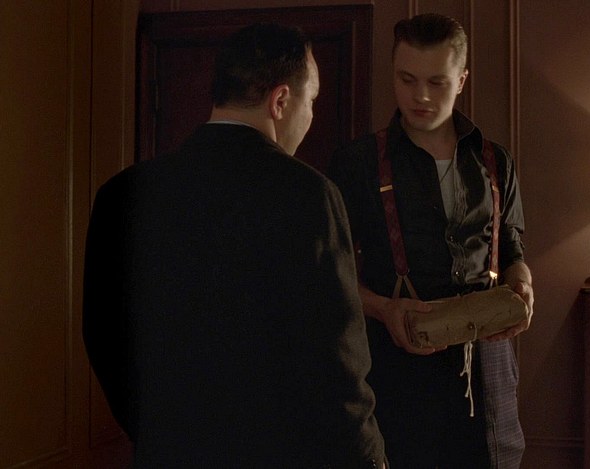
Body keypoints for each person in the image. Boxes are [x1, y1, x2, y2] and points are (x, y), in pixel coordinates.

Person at [82, 23, 385, 468]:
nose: (311, 115)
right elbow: (337, 361)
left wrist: (158, 429)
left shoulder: (121, 194)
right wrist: (370, 458)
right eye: (312, 101)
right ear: (280, 101)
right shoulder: (309, 196)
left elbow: (104, 337)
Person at [328, 13, 534, 469]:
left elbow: (512, 249)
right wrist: (384, 308)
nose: (420, 96)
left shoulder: (495, 161)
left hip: (488, 368)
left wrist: (522, 283)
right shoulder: (358, 163)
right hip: (398, 370)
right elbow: (331, 275)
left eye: (437, 82)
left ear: (461, 80)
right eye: (407, 80)